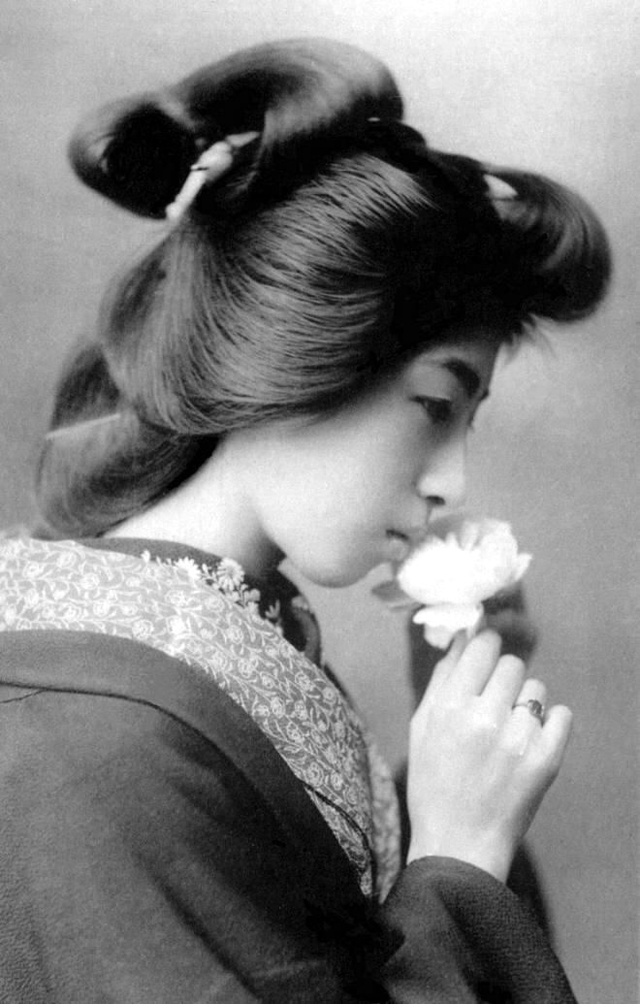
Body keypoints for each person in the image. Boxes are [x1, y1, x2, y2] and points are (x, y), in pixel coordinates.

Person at [0, 37, 610, 1003]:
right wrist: (459, 855)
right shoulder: (97, 742)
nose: (451, 483)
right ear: (300, 356)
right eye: (435, 405)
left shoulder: (234, 627)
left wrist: (442, 768)